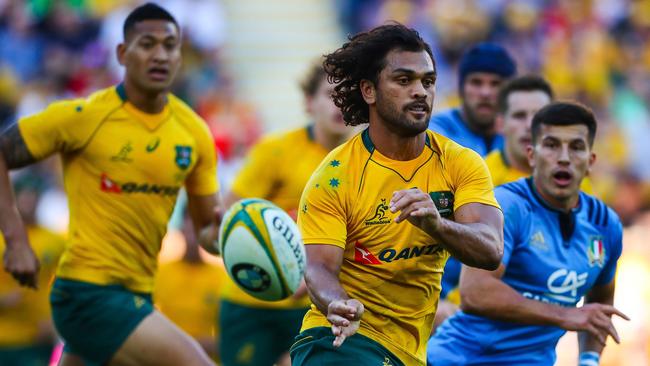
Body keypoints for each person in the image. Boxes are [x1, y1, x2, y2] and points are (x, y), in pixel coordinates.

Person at [0, 3, 222, 366]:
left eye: (170, 45)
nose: (160, 54)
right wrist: (15, 240)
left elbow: (209, 233)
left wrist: (239, 235)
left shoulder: (195, 133)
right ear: (122, 53)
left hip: (138, 294)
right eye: (147, 44)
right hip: (87, 293)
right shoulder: (85, 116)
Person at [290, 23, 504, 366]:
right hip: (343, 341)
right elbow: (317, 266)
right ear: (369, 91)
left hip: (410, 351)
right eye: (404, 81)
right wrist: (339, 304)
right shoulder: (334, 176)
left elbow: (490, 249)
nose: (420, 91)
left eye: (428, 82)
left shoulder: (460, 163)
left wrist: (437, 225)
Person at [427, 102, 629, 366]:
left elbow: (600, 302)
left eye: (576, 147)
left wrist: (589, 360)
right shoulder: (509, 205)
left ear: (590, 161)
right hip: (459, 360)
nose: (564, 157)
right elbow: (476, 292)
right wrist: (565, 315)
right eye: (552, 145)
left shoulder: (605, 224)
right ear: (532, 155)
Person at [219, 59, 351, 366]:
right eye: (332, 94)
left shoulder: (361, 163)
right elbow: (231, 216)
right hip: (250, 302)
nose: (341, 103)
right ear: (308, 102)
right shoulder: (274, 151)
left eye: (348, 95)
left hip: (315, 307)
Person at [428, 43, 516, 323]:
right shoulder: (435, 135)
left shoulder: (520, 136)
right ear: (461, 86)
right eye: (476, 82)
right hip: (438, 283)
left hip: (501, 281)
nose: (486, 92)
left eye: (496, 84)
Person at [486, 74, 594, 194]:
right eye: (519, 116)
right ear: (500, 124)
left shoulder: (575, 181)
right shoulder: (480, 180)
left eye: (539, 116)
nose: (529, 125)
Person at [0, 172, 66, 366]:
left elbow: (64, 284)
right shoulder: (2, 240)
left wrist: (55, 320)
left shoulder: (55, 241)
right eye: (24, 195)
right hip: (4, 336)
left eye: (34, 195)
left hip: (37, 336)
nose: (29, 201)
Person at [155, 210, 228, 362]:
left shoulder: (220, 277)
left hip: (205, 358)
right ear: (181, 229)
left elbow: (230, 335)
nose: (192, 236)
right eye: (189, 228)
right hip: (167, 358)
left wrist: (204, 344)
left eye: (196, 230)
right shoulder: (161, 272)